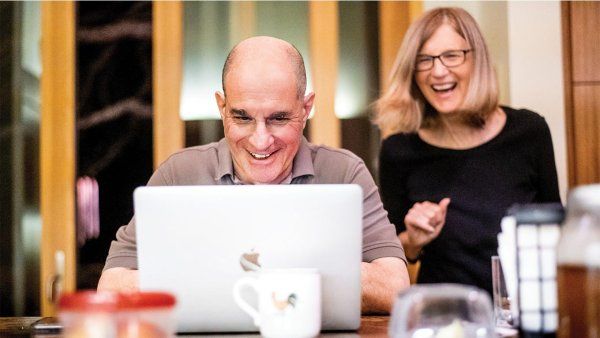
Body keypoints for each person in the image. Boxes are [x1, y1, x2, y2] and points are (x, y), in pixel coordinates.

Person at [98, 36, 409, 313]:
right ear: (222, 107)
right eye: (242, 117)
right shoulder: (178, 174)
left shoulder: (344, 173)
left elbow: (395, 287)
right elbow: (112, 286)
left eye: (278, 118)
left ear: (306, 108)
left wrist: (245, 273)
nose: (261, 140)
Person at [374, 7, 560, 295]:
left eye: (451, 56)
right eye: (424, 60)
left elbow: (554, 230)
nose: (438, 71)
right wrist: (414, 237)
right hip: (443, 314)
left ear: (477, 60)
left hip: (520, 311)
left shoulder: (529, 131)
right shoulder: (399, 150)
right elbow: (398, 256)